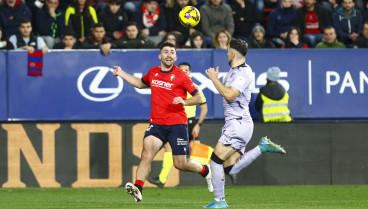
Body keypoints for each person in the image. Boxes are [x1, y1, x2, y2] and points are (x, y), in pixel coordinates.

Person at [112, 41, 213, 202]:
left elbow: (199, 97)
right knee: (146, 154)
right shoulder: (153, 72)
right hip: (157, 124)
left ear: (175, 56)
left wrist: (184, 102)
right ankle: (138, 188)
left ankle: (205, 170)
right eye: (166, 52)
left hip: (177, 124)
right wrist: (122, 73)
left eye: (172, 52)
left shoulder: (182, 75)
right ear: (160, 55)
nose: (169, 55)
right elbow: (139, 83)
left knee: (180, 164)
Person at [203, 39, 286, 208]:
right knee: (229, 168)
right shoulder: (233, 72)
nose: (227, 55)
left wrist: (213, 79)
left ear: (233, 54)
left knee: (215, 160)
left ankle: (220, 202)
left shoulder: (243, 73)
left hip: (238, 124)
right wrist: (219, 80)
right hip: (238, 124)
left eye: (227, 52)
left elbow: (230, 94)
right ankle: (261, 147)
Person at [147, 61, 208, 188]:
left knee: (194, 152)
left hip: (189, 122)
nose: (184, 72)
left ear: (190, 72)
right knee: (171, 149)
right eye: (182, 70)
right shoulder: (171, 85)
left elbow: (204, 107)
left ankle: (222, 166)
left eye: (187, 70)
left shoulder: (194, 87)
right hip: (176, 122)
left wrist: (199, 124)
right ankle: (162, 178)